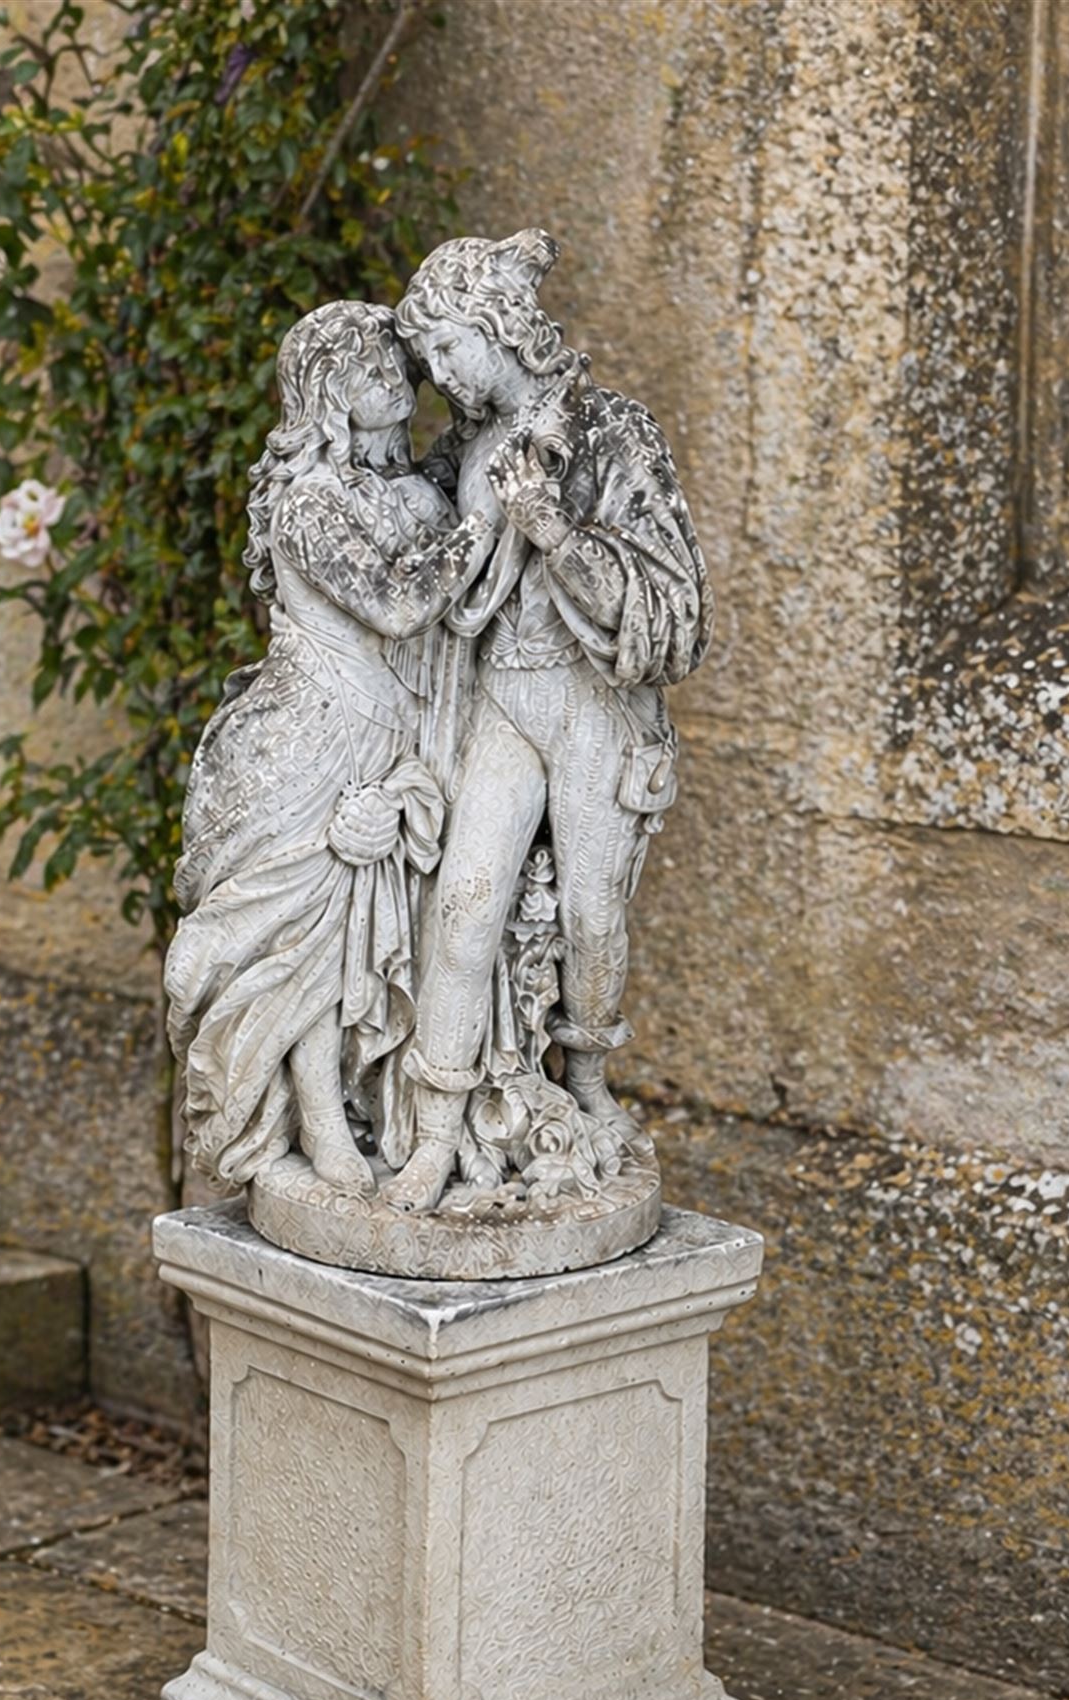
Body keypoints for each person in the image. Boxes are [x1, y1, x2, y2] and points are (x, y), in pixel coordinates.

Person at [382, 230, 713, 1213]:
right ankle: (436, 1131)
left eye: (448, 347)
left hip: (591, 706)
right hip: (505, 697)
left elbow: (678, 612)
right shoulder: (467, 446)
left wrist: (555, 534)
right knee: (465, 902)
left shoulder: (610, 434)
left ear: (497, 327)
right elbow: (426, 566)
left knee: (591, 916)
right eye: (428, 357)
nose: (440, 375)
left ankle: (588, 1083)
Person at [166, 300, 497, 1193]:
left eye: (394, 362)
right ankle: (314, 1121)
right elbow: (398, 603)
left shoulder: (414, 488)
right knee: (298, 941)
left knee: (353, 932)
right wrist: (487, 522)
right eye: (366, 370)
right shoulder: (310, 503)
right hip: (307, 738)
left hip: (385, 734)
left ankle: (351, 1110)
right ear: (326, 393)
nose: (391, 378)